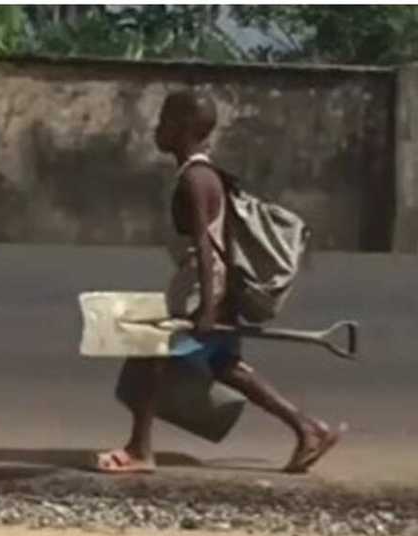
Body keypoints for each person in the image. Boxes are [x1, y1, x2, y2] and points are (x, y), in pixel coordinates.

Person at [95, 90, 339, 474]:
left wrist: (208, 307)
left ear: (184, 129)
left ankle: (139, 449)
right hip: (216, 286)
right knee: (226, 365)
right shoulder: (207, 175)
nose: (158, 129)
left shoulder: (195, 179)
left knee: (149, 354)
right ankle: (309, 429)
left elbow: (209, 250)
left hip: (202, 286)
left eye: (165, 122)